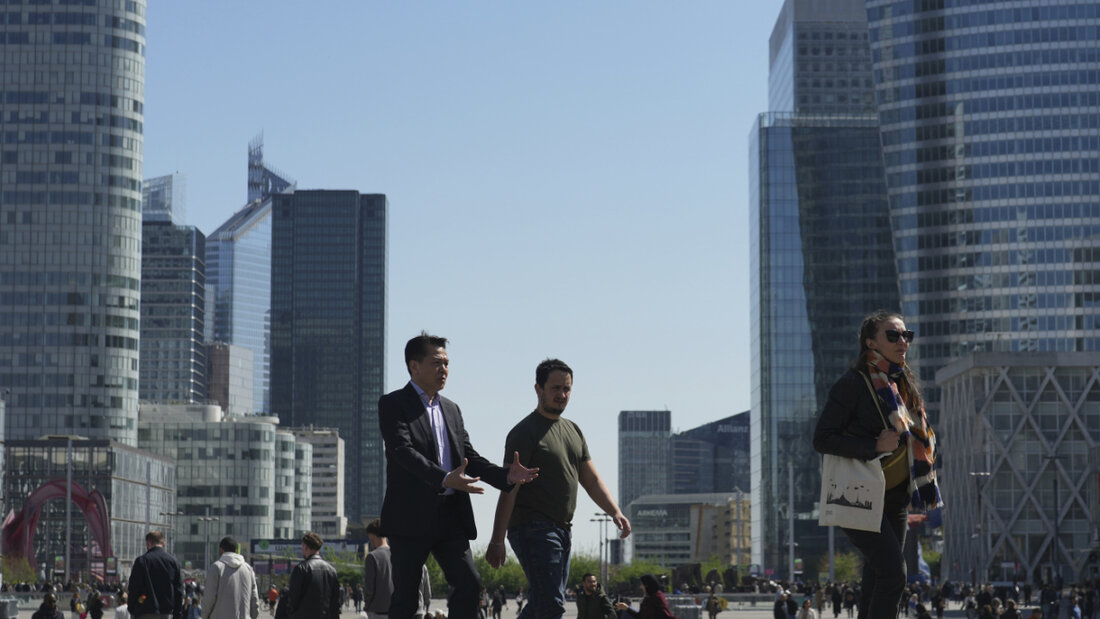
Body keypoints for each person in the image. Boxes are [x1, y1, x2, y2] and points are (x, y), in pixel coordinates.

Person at [378, 332, 539, 619]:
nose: (444, 370)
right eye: (437, 363)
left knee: (470, 584)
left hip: (450, 516)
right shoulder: (393, 404)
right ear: (414, 366)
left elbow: (469, 457)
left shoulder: (451, 409)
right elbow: (401, 452)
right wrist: (443, 478)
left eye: (447, 364)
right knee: (405, 598)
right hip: (410, 517)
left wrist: (505, 476)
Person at [813, 311, 942, 619]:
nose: (903, 342)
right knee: (895, 573)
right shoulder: (853, 383)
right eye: (893, 335)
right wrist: (873, 446)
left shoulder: (903, 384)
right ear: (870, 342)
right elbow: (822, 438)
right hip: (859, 492)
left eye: (906, 335)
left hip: (895, 496)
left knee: (877, 576)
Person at [486, 359, 631, 618]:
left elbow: (592, 480)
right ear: (538, 389)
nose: (562, 395)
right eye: (555, 388)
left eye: (567, 389)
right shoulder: (524, 432)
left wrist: (615, 512)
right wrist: (497, 539)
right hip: (533, 528)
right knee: (552, 603)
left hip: (563, 529)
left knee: (544, 601)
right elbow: (508, 488)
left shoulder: (573, 431)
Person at [128, 530, 185, 619]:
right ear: (163, 543)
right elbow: (179, 591)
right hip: (166, 613)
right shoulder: (173, 562)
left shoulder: (142, 561)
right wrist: (177, 614)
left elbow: (133, 588)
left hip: (144, 612)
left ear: (148, 543)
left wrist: (132, 609)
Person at [201, 536, 260, 619]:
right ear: (236, 551)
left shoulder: (216, 567)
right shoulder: (248, 569)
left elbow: (209, 598)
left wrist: (204, 616)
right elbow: (255, 600)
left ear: (221, 550)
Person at [285, 532, 340, 619]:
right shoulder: (331, 570)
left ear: (305, 547)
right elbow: (335, 601)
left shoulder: (301, 569)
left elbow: (293, 598)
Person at [363, 518, 394, 619]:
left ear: (373, 535)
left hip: (377, 609)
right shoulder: (397, 554)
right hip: (395, 608)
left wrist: (367, 606)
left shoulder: (372, 557)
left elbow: (369, 588)